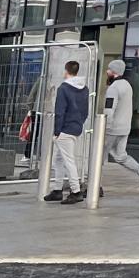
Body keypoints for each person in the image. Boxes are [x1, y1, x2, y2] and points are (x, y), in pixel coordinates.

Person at [44, 60, 91, 205]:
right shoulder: (85, 88)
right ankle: (57, 189)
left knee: (68, 161)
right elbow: (85, 111)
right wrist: (79, 123)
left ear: (66, 71)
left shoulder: (63, 88)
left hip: (64, 129)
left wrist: (57, 131)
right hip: (76, 127)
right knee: (59, 159)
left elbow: (60, 111)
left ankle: (75, 191)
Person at [101, 60, 139, 192]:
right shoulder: (127, 85)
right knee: (121, 156)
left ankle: (96, 186)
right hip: (125, 127)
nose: (107, 72)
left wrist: (105, 128)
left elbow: (109, 109)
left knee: (99, 157)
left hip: (113, 128)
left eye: (109, 70)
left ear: (114, 72)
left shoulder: (113, 88)